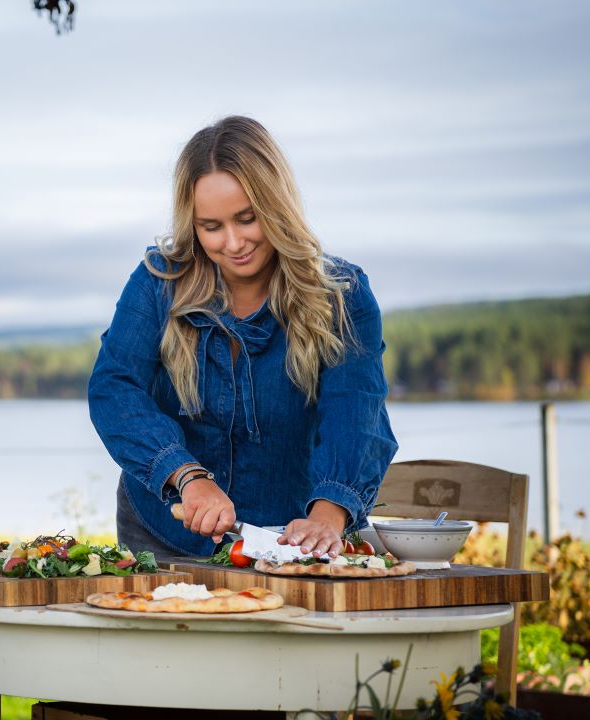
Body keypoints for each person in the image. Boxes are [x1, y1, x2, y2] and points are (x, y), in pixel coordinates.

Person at [88, 115, 398, 560]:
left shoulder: (342, 295)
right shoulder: (157, 281)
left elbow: (356, 413)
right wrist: (188, 476)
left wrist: (329, 516)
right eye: (211, 226)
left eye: (247, 219)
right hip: (164, 536)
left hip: (293, 541)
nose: (233, 243)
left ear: (276, 206)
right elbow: (115, 389)